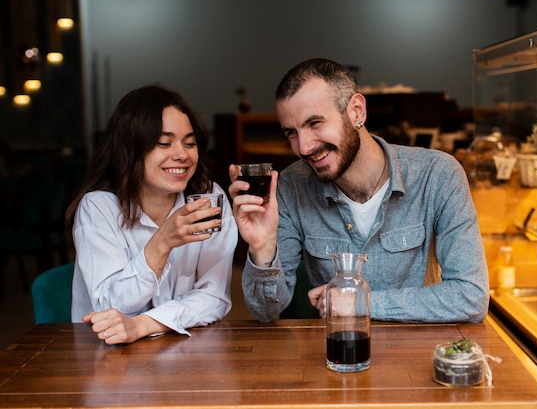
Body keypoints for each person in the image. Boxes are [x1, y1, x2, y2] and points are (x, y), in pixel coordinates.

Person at [229, 58, 489, 323]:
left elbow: (471, 296)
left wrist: (360, 302)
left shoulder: (438, 174)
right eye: (291, 133)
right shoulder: (290, 186)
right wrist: (261, 247)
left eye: (315, 123)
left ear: (356, 111)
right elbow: (266, 311)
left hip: (416, 357)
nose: (304, 147)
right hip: (336, 356)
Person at [66, 84, 237, 344]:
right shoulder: (99, 207)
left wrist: (142, 325)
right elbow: (110, 309)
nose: (181, 155)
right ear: (131, 149)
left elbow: (215, 298)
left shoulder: (207, 199)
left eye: (189, 143)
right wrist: (162, 241)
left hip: (187, 355)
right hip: (110, 364)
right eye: (163, 143)